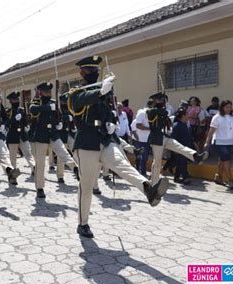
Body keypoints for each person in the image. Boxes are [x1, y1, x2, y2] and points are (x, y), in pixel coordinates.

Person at [69, 55, 169, 239]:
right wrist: (100, 92)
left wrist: (110, 122)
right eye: (90, 71)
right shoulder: (76, 92)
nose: (93, 74)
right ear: (82, 73)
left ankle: (148, 189)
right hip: (86, 143)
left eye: (96, 72)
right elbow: (79, 102)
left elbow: (107, 112)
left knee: (122, 164)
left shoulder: (104, 92)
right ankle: (82, 223)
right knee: (87, 185)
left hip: (105, 139)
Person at [147, 92, 208, 187]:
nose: (162, 101)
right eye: (159, 99)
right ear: (154, 101)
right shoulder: (150, 110)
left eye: (163, 99)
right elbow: (154, 113)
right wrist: (163, 110)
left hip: (164, 137)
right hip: (156, 140)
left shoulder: (163, 110)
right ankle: (154, 183)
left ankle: (195, 156)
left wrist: (164, 110)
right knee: (157, 162)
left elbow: (167, 118)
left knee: (180, 147)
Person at [29, 82, 78, 198]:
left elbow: (59, 116)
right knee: (40, 164)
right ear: (40, 93)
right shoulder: (36, 102)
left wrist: (59, 123)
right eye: (46, 92)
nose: (48, 94)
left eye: (49, 92)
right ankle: (40, 188)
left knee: (64, 153)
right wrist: (46, 107)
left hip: (53, 134)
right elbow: (33, 110)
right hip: (40, 136)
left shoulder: (54, 104)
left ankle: (75, 169)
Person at [204, 100, 233, 190]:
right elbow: (211, 130)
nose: (229, 109)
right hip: (220, 142)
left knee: (223, 160)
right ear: (222, 108)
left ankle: (218, 177)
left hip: (231, 142)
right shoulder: (217, 117)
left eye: (230, 107)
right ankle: (230, 180)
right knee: (227, 160)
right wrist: (207, 142)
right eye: (227, 107)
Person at [5, 91, 35, 180]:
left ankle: (34, 168)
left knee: (28, 153)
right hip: (13, 135)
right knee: (13, 157)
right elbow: (6, 123)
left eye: (17, 99)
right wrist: (14, 119)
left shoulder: (22, 110)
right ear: (10, 101)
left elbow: (25, 120)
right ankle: (13, 174)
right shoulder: (8, 112)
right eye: (14, 99)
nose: (16, 100)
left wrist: (27, 125)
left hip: (22, 135)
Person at [170, 108, 193, 185]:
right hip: (179, 148)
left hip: (186, 147)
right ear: (183, 115)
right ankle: (185, 177)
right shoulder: (177, 125)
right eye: (186, 114)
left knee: (181, 162)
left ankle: (176, 177)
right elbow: (174, 138)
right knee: (182, 162)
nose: (188, 115)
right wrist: (175, 149)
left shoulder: (185, 124)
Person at [133, 100, 152, 177]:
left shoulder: (151, 114)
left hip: (147, 139)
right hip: (140, 139)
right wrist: (150, 128)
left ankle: (141, 171)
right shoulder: (142, 113)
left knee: (145, 157)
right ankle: (141, 172)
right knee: (141, 156)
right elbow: (138, 125)